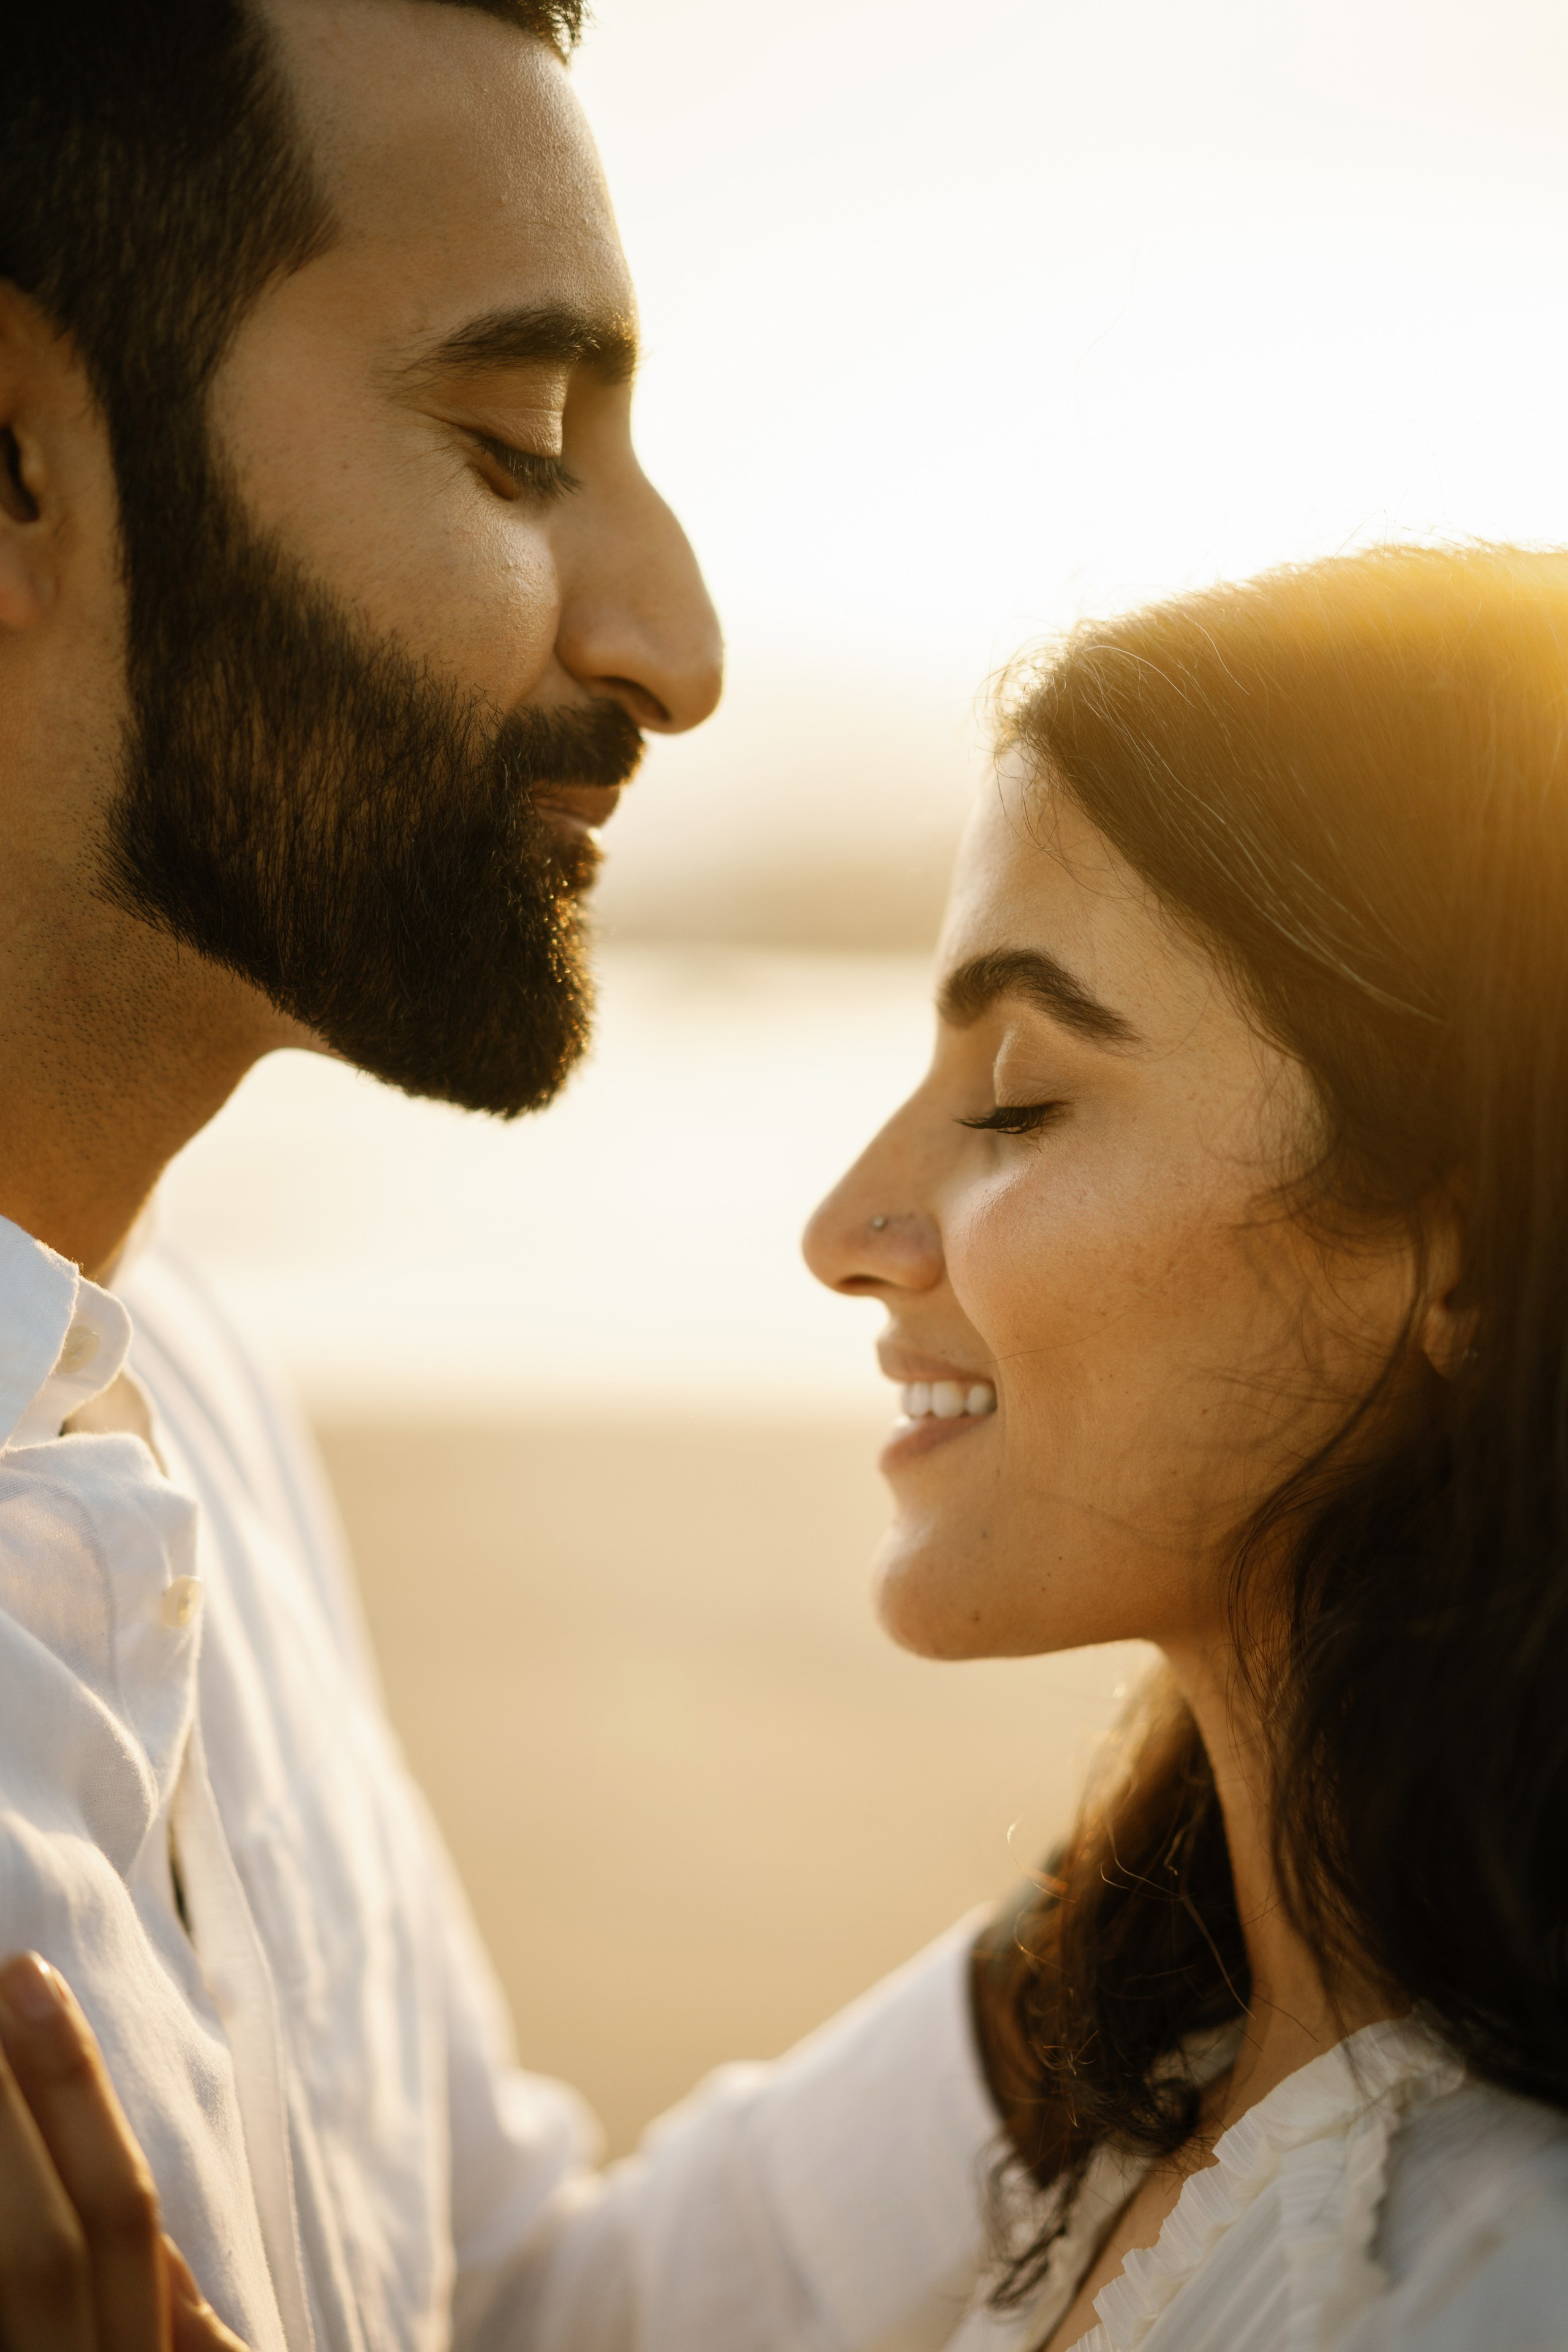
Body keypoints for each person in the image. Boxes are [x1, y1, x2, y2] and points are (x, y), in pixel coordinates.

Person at [0, 1, 998, 2346]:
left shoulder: (188, 1392)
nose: (677, 645)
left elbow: (493, 2298)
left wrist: (1202, 1903)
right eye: (521, 440)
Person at [804, 542, 1568, 2349]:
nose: (847, 1226)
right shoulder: (1162, 2059)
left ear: (1461, 1248)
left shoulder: (1488, 2275)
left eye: (1019, 1100)